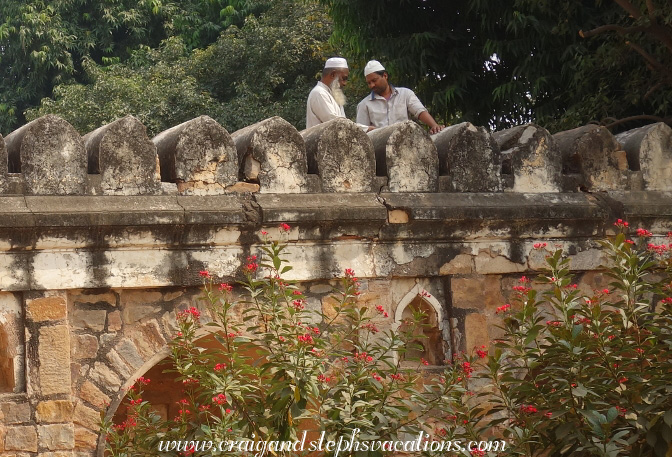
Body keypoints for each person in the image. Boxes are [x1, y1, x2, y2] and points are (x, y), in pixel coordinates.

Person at [356, 60, 444, 134]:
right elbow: (361, 131)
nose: (372, 85)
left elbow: (419, 111)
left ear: (385, 76)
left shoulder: (405, 94)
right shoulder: (364, 104)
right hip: (379, 150)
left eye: (374, 80)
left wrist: (434, 125)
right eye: (369, 83)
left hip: (404, 145)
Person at [305, 57, 351, 129]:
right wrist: (365, 129)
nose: (345, 83)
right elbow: (337, 124)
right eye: (344, 78)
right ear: (333, 74)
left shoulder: (334, 95)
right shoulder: (319, 93)